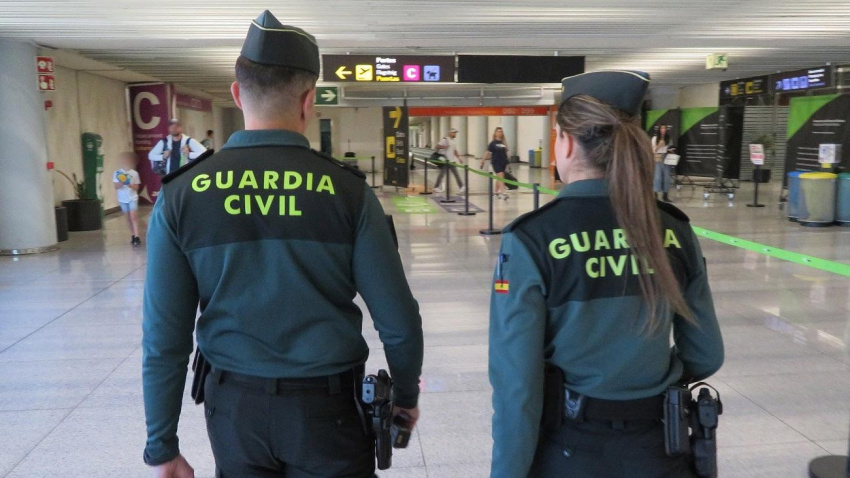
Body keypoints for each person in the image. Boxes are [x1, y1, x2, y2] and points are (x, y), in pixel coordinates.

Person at [142, 10, 424, 478]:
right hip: (328, 410)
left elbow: (163, 338)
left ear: (237, 93)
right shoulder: (349, 192)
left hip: (233, 412)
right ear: (308, 99)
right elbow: (397, 319)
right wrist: (407, 398)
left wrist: (162, 445)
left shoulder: (181, 195)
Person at [488, 70, 724, 478]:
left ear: (564, 141)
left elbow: (518, 388)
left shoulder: (533, 238)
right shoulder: (673, 228)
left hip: (572, 449)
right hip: (660, 448)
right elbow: (706, 353)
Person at [112, 152, 142, 246]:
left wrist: (131, 185)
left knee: (133, 216)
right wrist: (121, 183)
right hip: (122, 199)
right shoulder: (117, 173)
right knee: (128, 217)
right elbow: (116, 186)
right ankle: (133, 234)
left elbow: (137, 187)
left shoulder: (134, 173)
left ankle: (137, 236)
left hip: (132, 197)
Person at [480, 126, 510, 200]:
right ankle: (504, 193)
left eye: (501, 131)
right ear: (495, 133)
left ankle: (496, 192)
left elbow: (506, 153)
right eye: (498, 131)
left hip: (503, 162)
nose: (500, 133)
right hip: (496, 162)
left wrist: (508, 163)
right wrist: (483, 161)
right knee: (501, 177)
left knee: (499, 177)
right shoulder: (492, 143)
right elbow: (487, 152)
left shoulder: (503, 143)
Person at [433, 128, 466, 193]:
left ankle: (461, 187)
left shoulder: (454, 141)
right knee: (441, 175)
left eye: (455, 133)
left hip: (451, 161)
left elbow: (455, 150)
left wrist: (459, 158)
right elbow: (437, 146)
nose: (455, 134)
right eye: (454, 133)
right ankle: (436, 187)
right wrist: (444, 147)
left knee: (456, 174)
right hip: (445, 160)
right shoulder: (445, 140)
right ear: (450, 133)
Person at [652, 124, 673, 202]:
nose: (663, 129)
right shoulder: (654, 138)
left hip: (666, 157)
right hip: (658, 157)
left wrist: (670, 150)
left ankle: (665, 195)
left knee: (666, 177)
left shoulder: (669, 138)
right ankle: (655, 194)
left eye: (664, 128)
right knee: (657, 176)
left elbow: (671, 148)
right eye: (662, 128)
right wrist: (659, 145)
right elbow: (653, 150)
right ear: (659, 129)